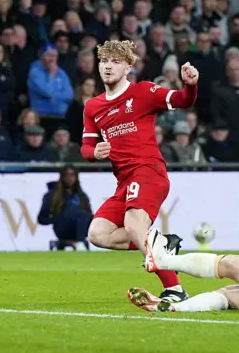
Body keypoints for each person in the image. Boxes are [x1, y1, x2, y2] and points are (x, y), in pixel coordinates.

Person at [81, 40, 199, 302]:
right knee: (97, 234)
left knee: (135, 223)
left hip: (148, 171)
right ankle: (162, 244)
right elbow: (86, 147)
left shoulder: (143, 92)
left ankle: (175, 288)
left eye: (115, 62)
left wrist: (190, 84)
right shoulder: (93, 106)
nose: (108, 67)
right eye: (104, 61)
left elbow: (183, 100)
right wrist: (94, 152)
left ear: (128, 68)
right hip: (124, 182)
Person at [37, 166, 93, 251]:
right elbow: (41, 219)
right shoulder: (52, 194)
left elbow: (88, 215)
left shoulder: (82, 196)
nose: (70, 178)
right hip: (62, 228)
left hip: (80, 228)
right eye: (67, 175)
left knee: (89, 216)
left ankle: (80, 242)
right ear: (62, 177)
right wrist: (57, 219)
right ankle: (80, 243)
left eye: (72, 175)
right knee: (81, 214)